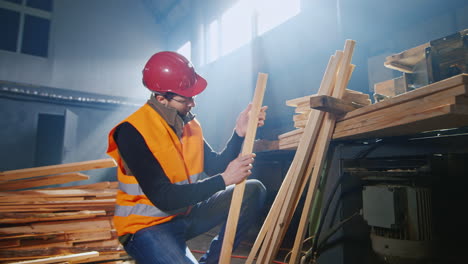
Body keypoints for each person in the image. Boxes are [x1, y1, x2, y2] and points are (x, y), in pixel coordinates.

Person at [107, 51, 268, 264]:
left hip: (185, 215)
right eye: (186, 98)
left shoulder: (188, 125)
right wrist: (224, 180)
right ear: (161, 98)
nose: (192, 103)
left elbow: (216, 166)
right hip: (146, 227)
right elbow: (163, 197)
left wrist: (239, 133)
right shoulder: (131, 132)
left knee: (253, 189)